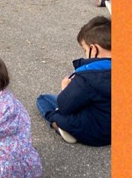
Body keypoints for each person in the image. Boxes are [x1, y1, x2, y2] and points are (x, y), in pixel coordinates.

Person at [36, 15, 111, 146]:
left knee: (44, 100)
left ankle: (58, 126)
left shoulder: (88, 76)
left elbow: (65, 106)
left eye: (85, 49)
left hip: (98, 133)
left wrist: (65, 88)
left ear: (94, 49)